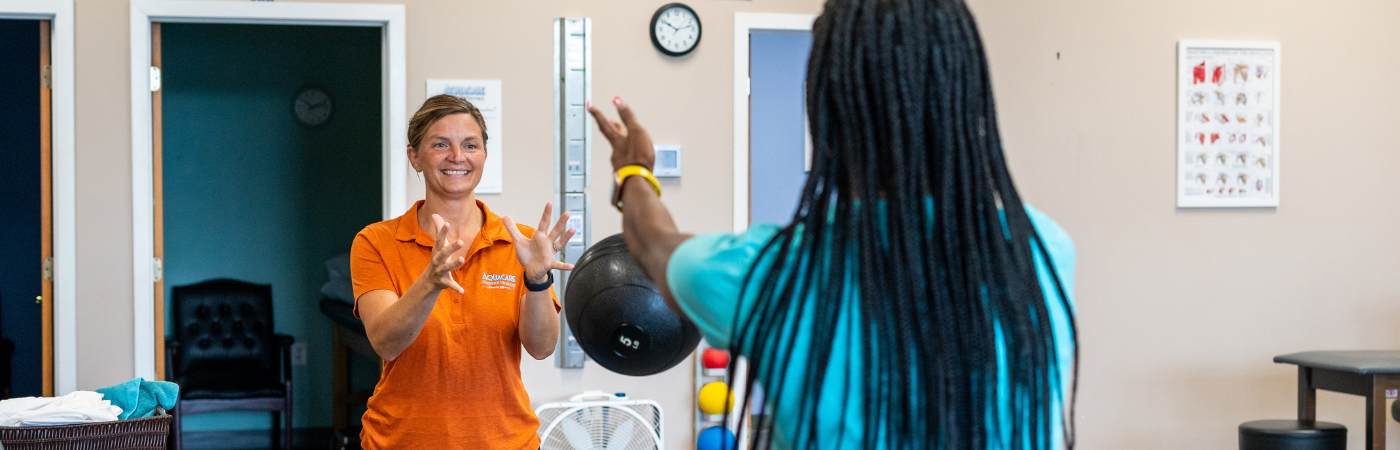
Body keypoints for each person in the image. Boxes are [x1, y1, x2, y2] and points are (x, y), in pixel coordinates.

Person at [586, 0, 1078, 448]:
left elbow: (653, 245)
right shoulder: (1043, 250)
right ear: (965, 97)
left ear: (828, 114)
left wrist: (633, 171)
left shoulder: (773, 275)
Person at [350, 94, 575, 449]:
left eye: (470, 145)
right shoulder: (376, 241)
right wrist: (430, 282)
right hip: (401, 441)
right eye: (441, 144)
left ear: (484, 155)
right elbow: (386, 343)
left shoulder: (522, 243)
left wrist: (536, 281)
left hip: (505, 441)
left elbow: (542, 347)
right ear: (415, 157)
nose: (457, 156)